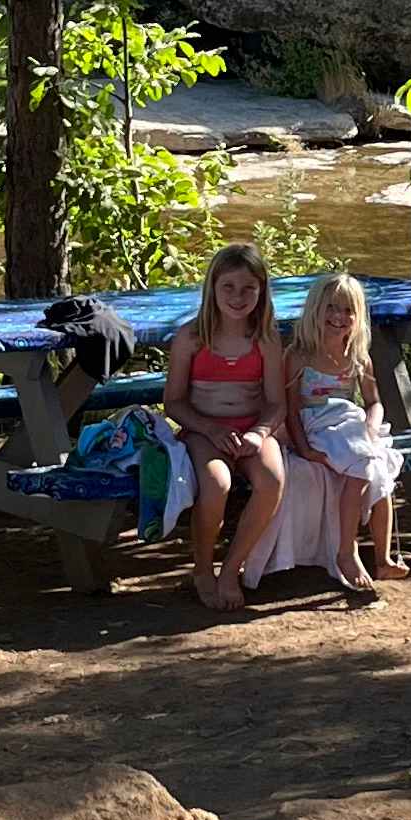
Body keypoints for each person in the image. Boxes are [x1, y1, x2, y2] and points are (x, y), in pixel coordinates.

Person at [163, 239, 287, 613]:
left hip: (252, 429)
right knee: (217, 483)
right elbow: (174, 402)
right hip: (204, 432)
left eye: (248, 288)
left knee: (272, 480)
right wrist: (209, 428)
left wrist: (259, 433)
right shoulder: (191, 337)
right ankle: (203, 568)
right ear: (212, 288)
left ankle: (231, 568)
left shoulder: (265, 339)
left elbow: (276, 403)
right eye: (228, 287)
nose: (238, 296)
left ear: (262, 291)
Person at [289, 270, 406, 598]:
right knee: (362, 468)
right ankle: (346, 551)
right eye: (331, 307)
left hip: (352, 427)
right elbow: (291, 409)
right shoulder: (299, 356)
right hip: (319, 426)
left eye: (347, 310)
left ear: (358, 317)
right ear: (315, 309)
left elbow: (374, 402)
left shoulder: (358, 358)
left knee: (379, 469)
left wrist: (371, 428)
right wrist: (304, 449)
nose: (338, 317)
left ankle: (382, 558)